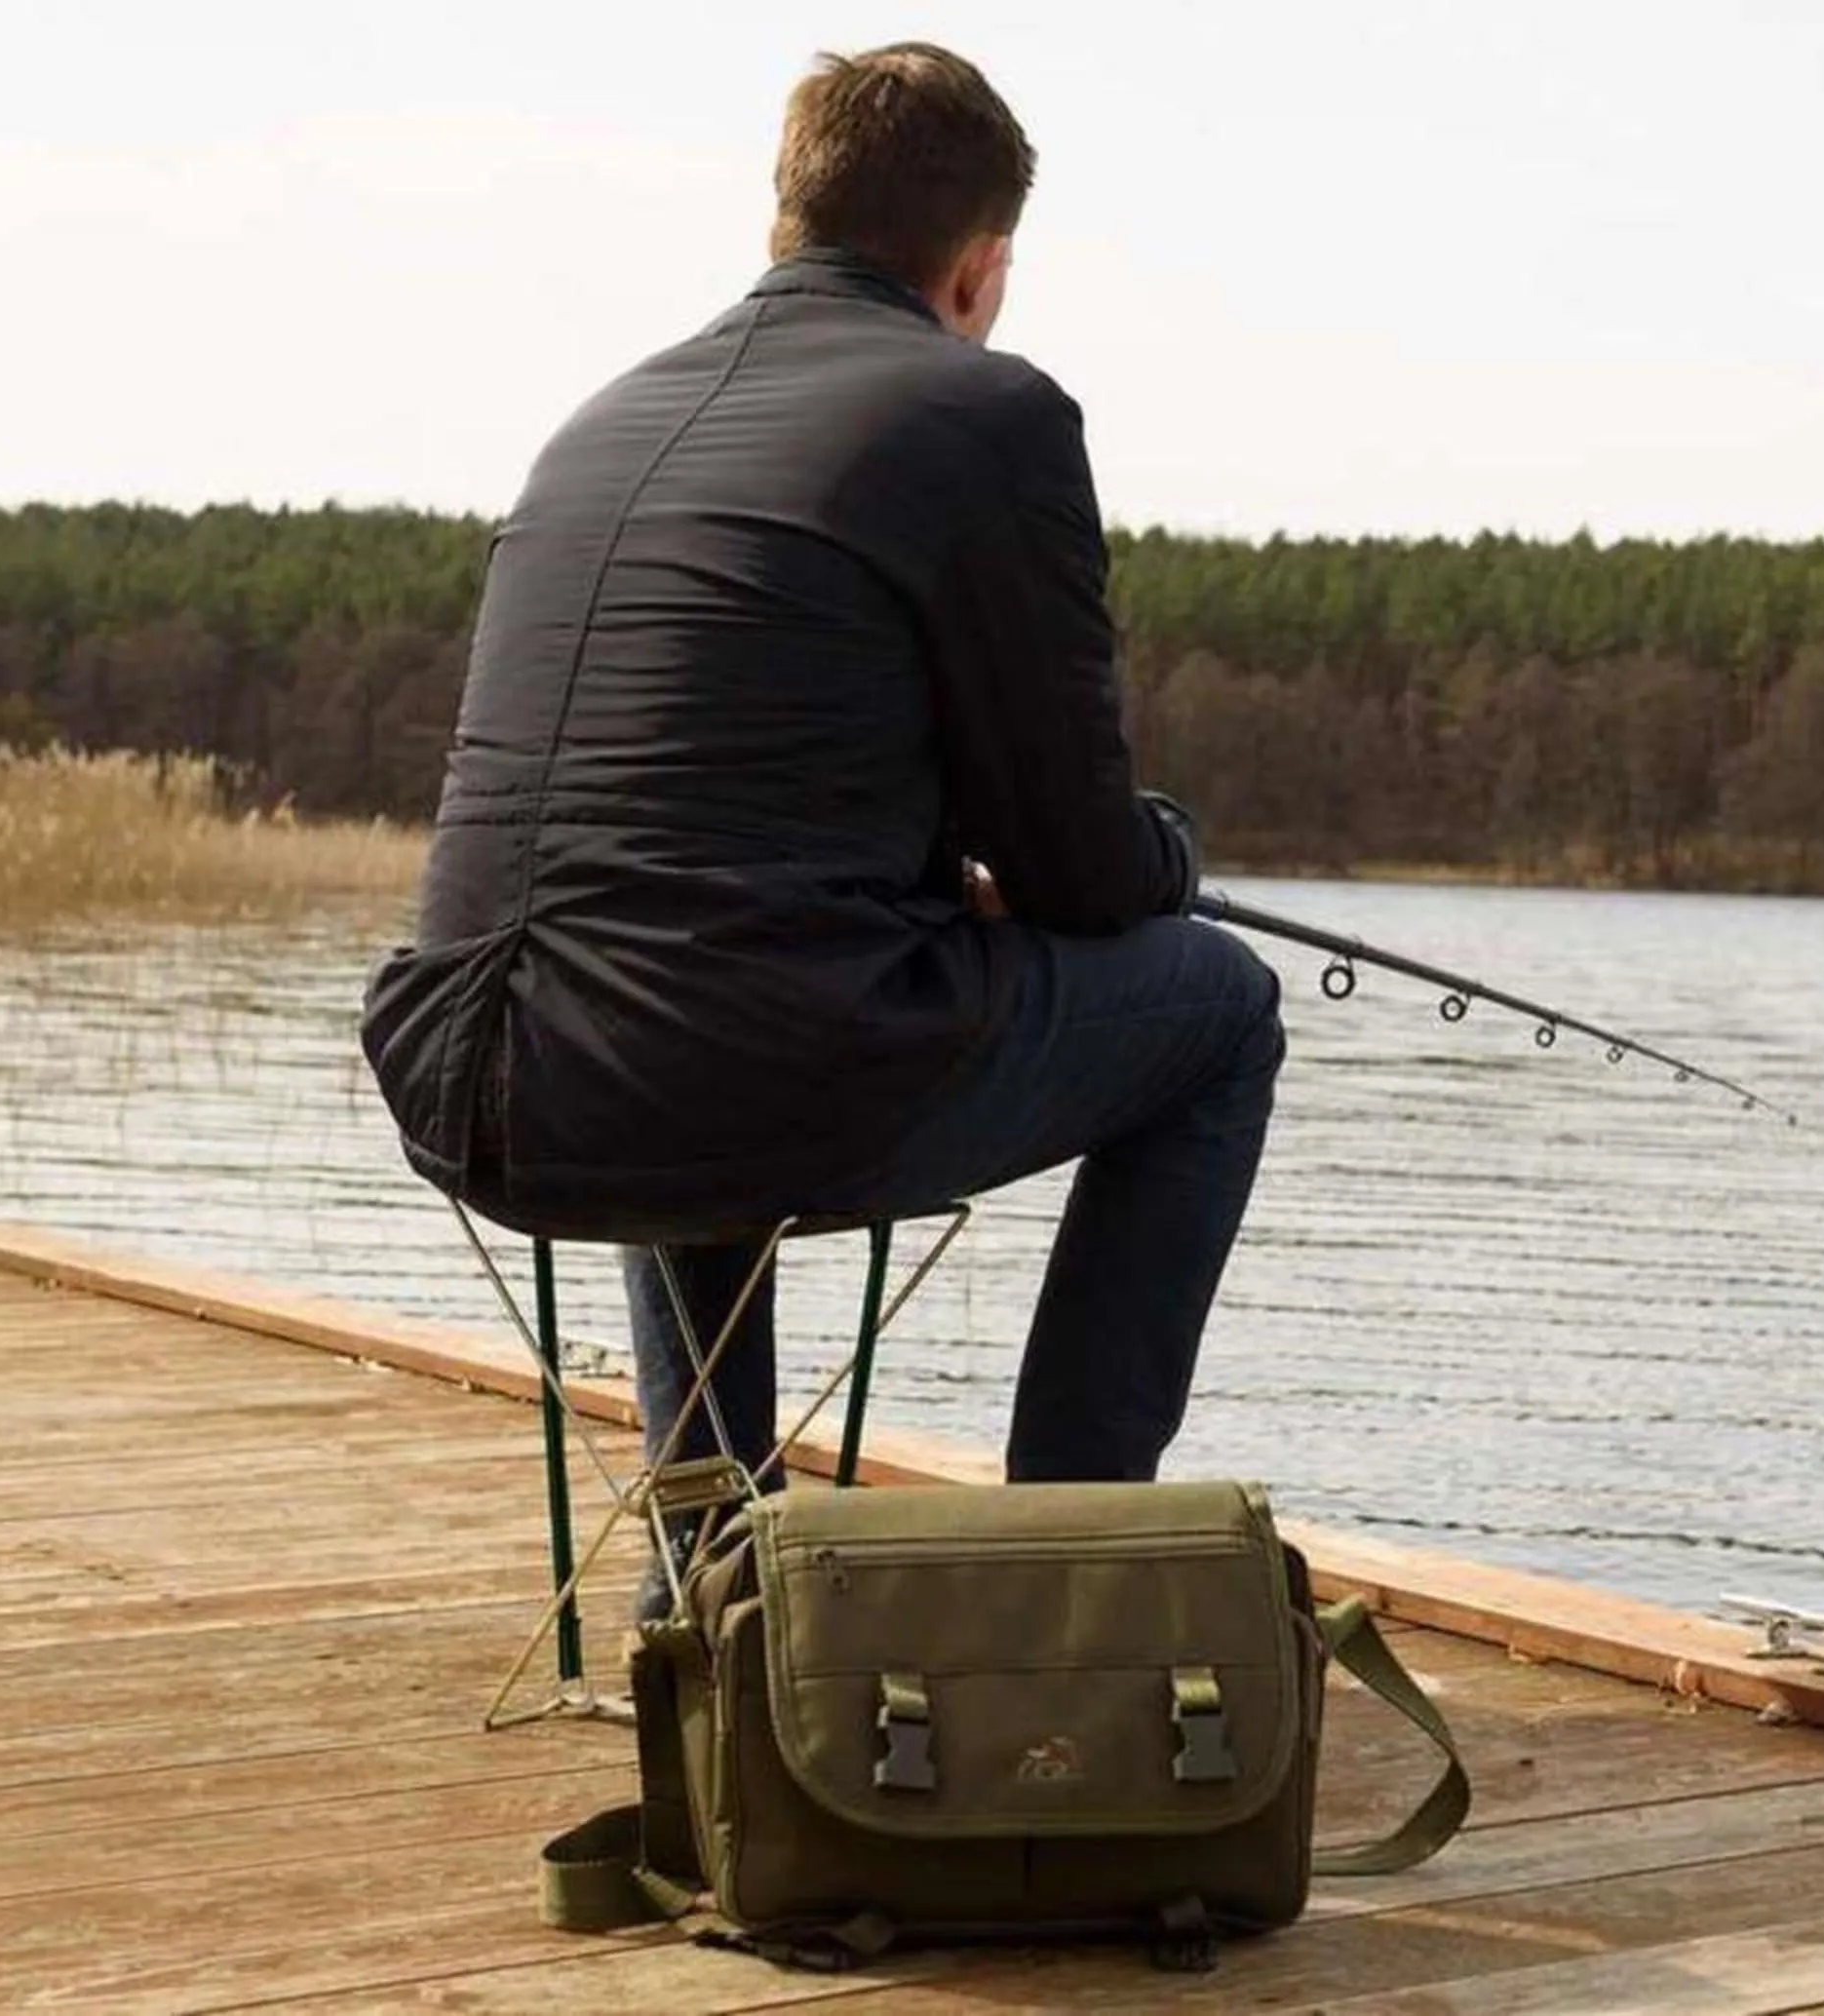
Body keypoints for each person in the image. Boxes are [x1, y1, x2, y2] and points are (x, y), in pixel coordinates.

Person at [360, 42, 1285, 1616]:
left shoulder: (600, 417)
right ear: (981, 266)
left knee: (690, 990)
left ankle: (709, 1581)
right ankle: (1059, 1588)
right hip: (720, 1060)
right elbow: (1078, 865)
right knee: (1219, 1008)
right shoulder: (988, 414)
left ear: (788, 215)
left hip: (470, 1075)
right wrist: (1166, 855)